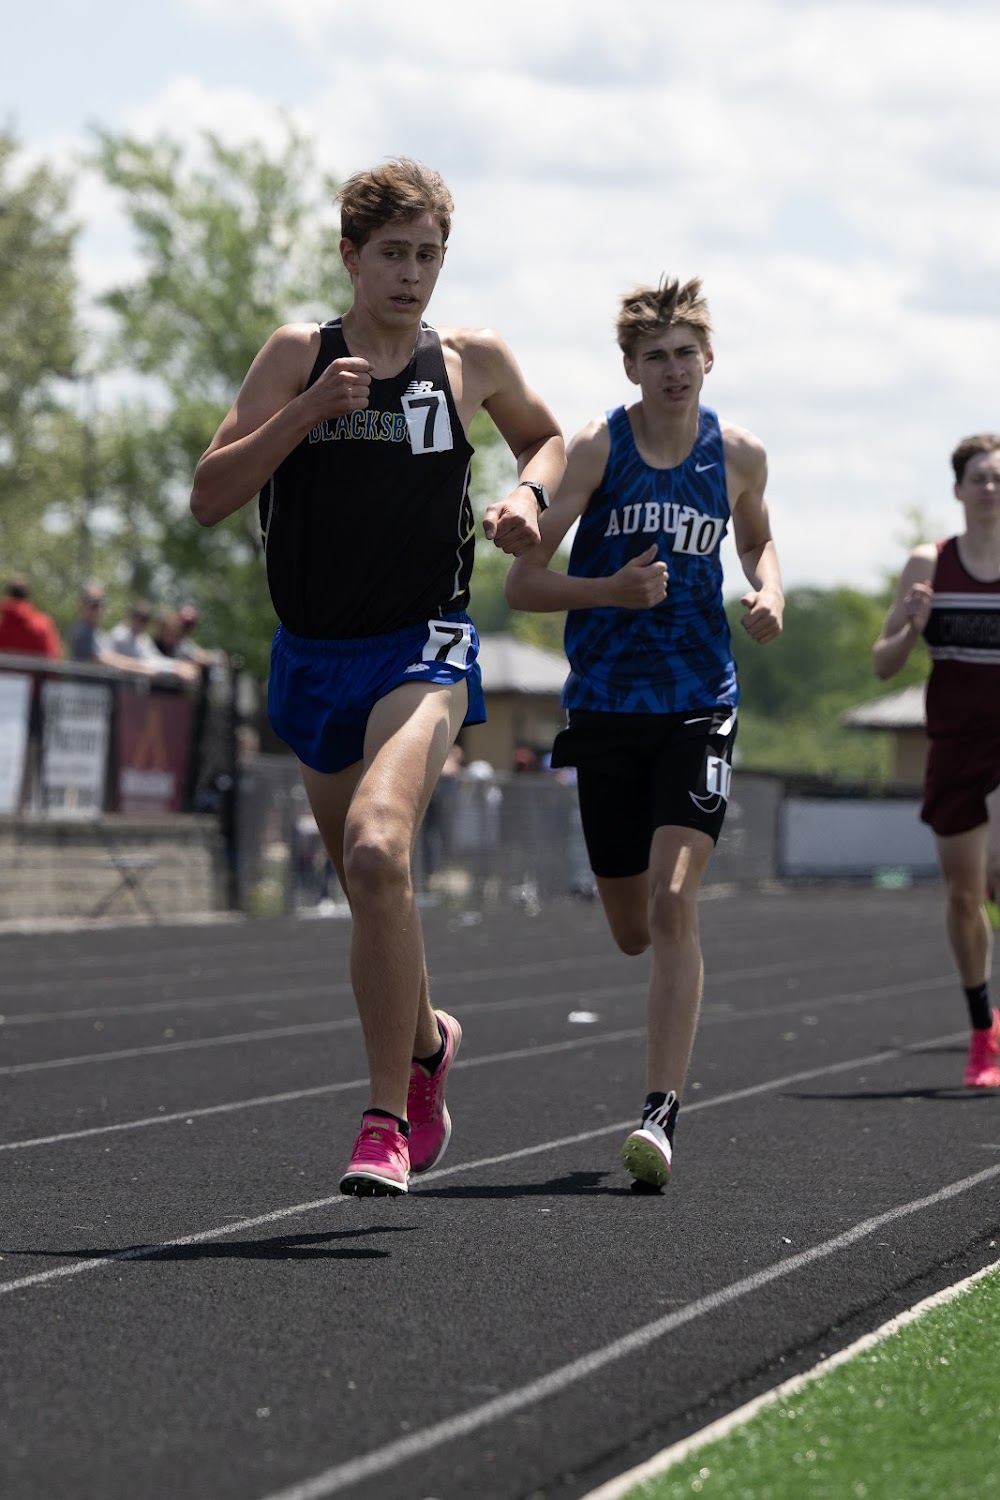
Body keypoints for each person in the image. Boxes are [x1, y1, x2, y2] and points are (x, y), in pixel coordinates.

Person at [190, 157, 565, 1196]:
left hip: (425, 645)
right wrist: (306, 413)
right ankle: (430, 1042)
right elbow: (209, 497)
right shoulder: (300, 355)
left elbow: (545, 439)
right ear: (351, 257)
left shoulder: (469, 360)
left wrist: (529, 500)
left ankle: (384, 1121)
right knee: (374, 888)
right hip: (314, 656)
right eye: (392, 254)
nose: (411, 275)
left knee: (374, 847)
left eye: (428, 256)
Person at [505, 275, 784, 1191]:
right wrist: (610, 592)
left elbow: (756, 539)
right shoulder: (597, 447)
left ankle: (659, 1115)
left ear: (710, 359)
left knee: (672, 903)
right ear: (630, 367)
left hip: (700, 701)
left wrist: (770, 591)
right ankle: (658, 1043)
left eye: (685, 353)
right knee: (632, 928)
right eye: (655, 356)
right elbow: (522, 584)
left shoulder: (737, 454)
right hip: (607, 708)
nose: (673, 369)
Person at [873, 433, 1000, 1089]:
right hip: (955, 744)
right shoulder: (930, 564)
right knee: (964, 895)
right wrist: (912, 626)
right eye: (979, 478)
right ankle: (984, 1033)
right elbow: (883, 662)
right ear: (958, 490)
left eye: (998, 478)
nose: (990, 488)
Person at [0, 576, 63, 658]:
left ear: (9, 596)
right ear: (27, 596)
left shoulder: (2, 626)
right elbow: (51, 657)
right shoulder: (43, 625)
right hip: (36, 666)